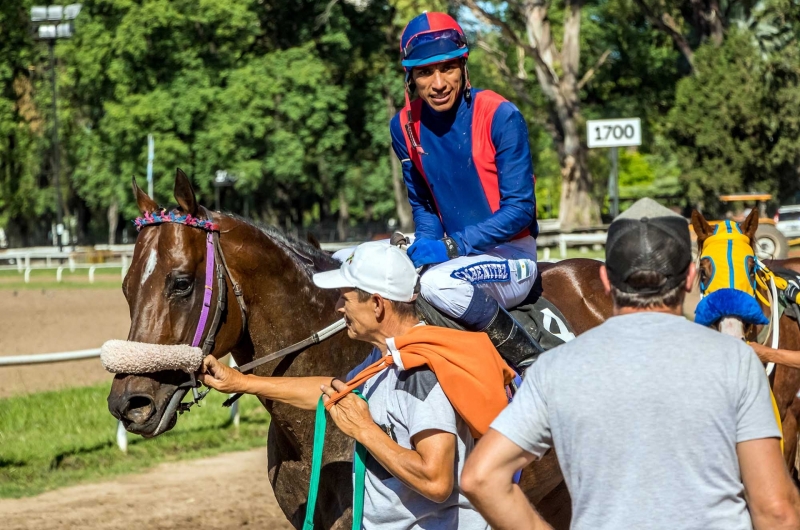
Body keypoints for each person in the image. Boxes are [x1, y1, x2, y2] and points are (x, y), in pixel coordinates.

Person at [460, 198, 800, 530]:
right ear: (690, 278)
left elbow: (481, 477)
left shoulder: (555, 368)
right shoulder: (735, 361)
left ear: (606, 279)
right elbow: (776, 510)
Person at [199, 241, 493, 529]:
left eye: (344, 298)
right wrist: (241, 381)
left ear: (377, 304)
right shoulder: (387, 357)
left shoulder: (420, 372)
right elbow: (331, 390)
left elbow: (437, 481)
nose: (338, 308)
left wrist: (364, 430)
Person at [394, 12, 540, 370]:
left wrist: (449, 247)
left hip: (511, 257)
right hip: (455, 256)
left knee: (437, 285)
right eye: (425, 72)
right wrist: (428, 247)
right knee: (365, 262)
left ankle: (529, 362)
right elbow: (425, 206)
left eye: (448, 68)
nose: (439, 83)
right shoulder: (403, 126)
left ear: (463, 66)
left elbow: (521, 209)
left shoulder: (501, 115)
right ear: (411, 77)